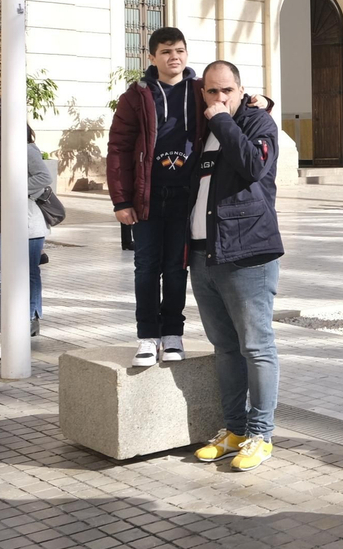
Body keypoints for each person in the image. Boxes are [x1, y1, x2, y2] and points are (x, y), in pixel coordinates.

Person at [185, 61, 284, 472]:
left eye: (226, 90)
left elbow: (252, 165)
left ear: (242, 90)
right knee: (225, 347)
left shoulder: (257, 123)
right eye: (211, 91)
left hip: (247, 254)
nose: (218, 98)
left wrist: (226, 118)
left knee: (256, 346)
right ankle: (235, 430)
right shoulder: (204, 127)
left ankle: (261, 435)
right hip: (204, 254)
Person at [109, 27, 203, 367]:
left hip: (186, 197)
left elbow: (235, 103)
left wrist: (264, 102)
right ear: (152, 57)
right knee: (146, 268)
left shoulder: (200, 90)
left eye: (179, 50)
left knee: (177, 269)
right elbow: (118, 148)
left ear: (186, 53)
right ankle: (147, 337)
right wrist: (121, 201)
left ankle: (173, 335)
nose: (173, 57)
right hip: (147, 197)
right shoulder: (136, 95)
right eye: (165, 52)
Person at [0, 96, 51, 347]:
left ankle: (26, 320)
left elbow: (41, 178)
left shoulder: (20, 146)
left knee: (27, 272)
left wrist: (16, 191)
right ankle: (13, 321)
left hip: (21, 222)